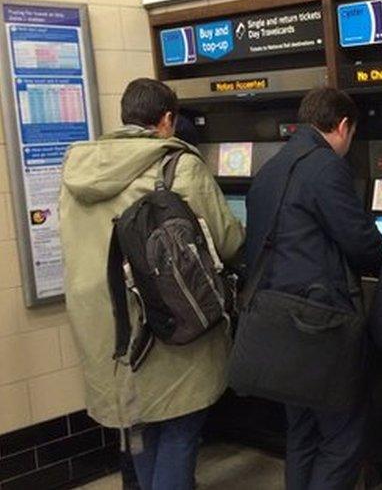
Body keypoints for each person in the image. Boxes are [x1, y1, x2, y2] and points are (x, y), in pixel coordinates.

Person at [60, 78, 244, 490]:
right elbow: (228, 241)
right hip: (167, 328)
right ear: (166, 120)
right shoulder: (178, 165)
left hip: (106, 332)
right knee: (179, 428)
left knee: (140, 431)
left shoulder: (77, 171)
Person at [245, 87, 382, 489]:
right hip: (317, 323)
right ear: (343, 126)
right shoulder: (325, 166)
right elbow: (361, 241)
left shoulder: (274, 166)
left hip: (278, 319)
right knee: (344, 436)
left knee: (302, 431)